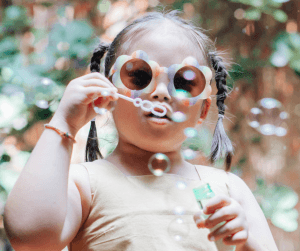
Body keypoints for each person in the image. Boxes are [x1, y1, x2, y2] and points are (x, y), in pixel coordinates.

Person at [3, 9, 278, 251]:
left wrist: (244, 243)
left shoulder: (227, 189)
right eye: (140, 76)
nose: (160, 93)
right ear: (108, 93)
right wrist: (64, 123)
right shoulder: (85, 184)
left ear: (203, 111)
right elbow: (30, 238)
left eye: (183, 81)